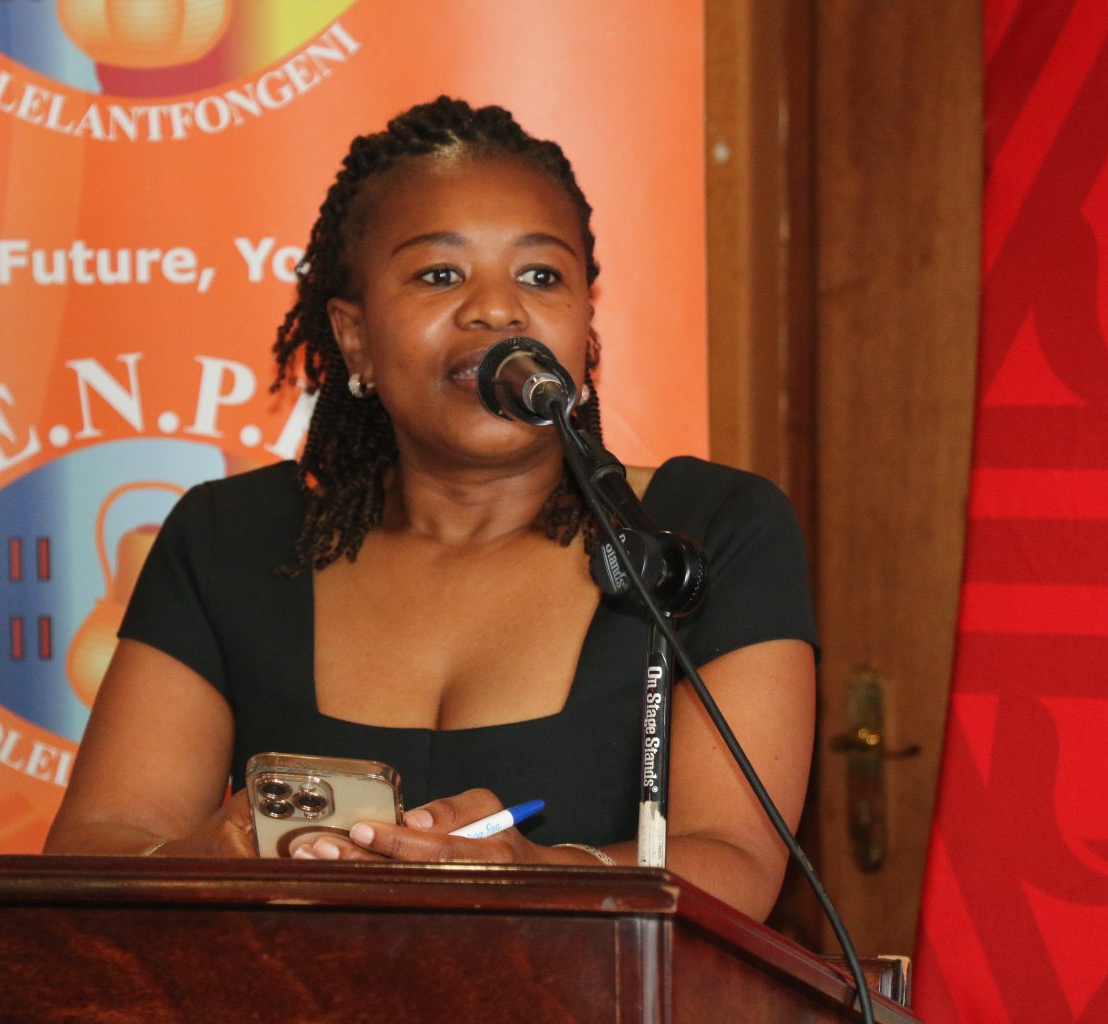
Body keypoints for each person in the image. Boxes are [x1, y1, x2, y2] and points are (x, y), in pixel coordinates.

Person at [44, 96, 817, 922]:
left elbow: (736, 863)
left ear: (585, 320)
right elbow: (95, 848)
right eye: (440, 275)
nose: (497, 308)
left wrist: (538, 871)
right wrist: (215, 854)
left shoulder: (704, 532)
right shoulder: (230, 538)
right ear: (354, 336)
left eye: (541, 275)